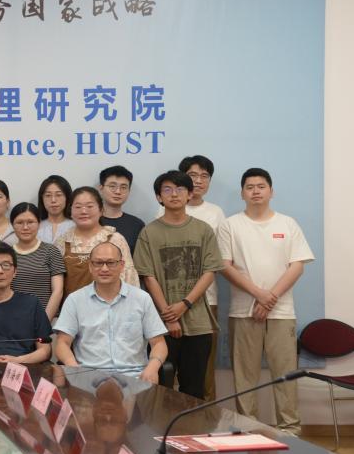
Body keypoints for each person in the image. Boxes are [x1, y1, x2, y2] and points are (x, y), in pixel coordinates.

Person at [218, 168, 313, 435]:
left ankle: (290, 430)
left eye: (261, 186)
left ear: (271, 191)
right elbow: (225, 266)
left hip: (282, 312)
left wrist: (269, 299)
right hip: (242, 311)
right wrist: (259, 295)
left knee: (285, 374)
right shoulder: (230, 225)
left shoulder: (288, 224)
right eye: (249, 187)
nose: (256, 191)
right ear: (242, 193)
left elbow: (297, 266)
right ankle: (248, 429)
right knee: (244, 376)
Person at [134, 170, 223, 398]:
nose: (174, 194)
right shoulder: (148, 232)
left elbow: (210, 271)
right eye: (167, 190)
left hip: (198, 322)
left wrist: (184, 304)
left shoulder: (203, 230)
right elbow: (148, 276)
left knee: (194, 390)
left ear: (190, 194)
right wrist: (168, 315)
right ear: (159, 197)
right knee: (159, 390)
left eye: (180, 189)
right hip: (159, 323)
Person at [160, 155, 227, 400]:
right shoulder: (163, 210)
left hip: (205, 301)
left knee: (202, 369)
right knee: (168, 368)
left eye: (204, 176)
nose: (198, 181)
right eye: (192, 175)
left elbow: (218, 260)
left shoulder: (216, 213)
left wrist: (189, 300)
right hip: (169, 304)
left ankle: (204, 415)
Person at [53, 242, 169, 383]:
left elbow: (158, 343)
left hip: (134, 378)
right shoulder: (75, 300)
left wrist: (152, 368)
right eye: (98, 263)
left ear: (122, 265)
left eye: (111, 263)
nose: (104, 268)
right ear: (90, 266)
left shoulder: (141, 299)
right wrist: (74, 369)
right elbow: (62, 343)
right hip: (89, 379)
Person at [55, 187, 138, 302]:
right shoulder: (62, 242)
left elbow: (130, 278)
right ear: (71, 212)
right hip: (73, 308)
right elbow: (55, 285)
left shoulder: (115, 239)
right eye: (78, 207)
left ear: (101, 210)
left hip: (112, 307)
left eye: (89, 206)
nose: (84, 211)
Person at [9, 202, 66, 320]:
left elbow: (58, 291)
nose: (25, 227)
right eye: (19, 222)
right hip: (12, 319)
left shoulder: (51, 251)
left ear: (39, 224)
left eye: (30, 222)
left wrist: (43, 322)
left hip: (47, 319)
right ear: (12, 225)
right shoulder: (6, 254)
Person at [98, 165, 146, 251]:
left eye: (123, 187)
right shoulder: (90, 221)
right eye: (112, 186)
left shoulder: (137, 225)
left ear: (129, 191)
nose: (118, 191)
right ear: (101, 188)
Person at [36, 175, 75, 244]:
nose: (53, 200)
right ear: (42, 199)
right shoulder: (35, 227)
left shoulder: (76, 226)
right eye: (48, 195)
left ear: (67, 197)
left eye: (58, 195)